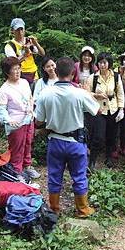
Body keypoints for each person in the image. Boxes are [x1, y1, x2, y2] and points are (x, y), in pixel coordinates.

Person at [35, 57, 99, 217]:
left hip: (55, 141)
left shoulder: (45, 93)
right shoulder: (79, 93)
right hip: (75, 142)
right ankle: (83, 209)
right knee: (79, 175)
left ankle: (54, 209)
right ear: (72, 74)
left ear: (56, 72)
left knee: (54, 176)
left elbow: (38, 121)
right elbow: (96, 110)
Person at [0, 57, 40, 179]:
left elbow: (30, 98)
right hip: (15, 122)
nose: (17, 71)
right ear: (7, 72)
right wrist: (8, 120)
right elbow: (1, 108)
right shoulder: (4, 89)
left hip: (28, 118)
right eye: (14, 69)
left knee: (28, 143)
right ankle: (16, 171)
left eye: (18, 68)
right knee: (17, 147)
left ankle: (27, 167)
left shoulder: (24, 82)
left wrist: (31, 109)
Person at [86, 52, 125, 170]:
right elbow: (87, 93)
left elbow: (120, 93)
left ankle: (109, 158)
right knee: (98, 137)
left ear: (109, 63)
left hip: (112, 109)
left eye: (104, 62)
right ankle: (92, 161)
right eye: (100, 62)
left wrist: (121, 109)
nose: (102, 65)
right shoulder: (93, 77)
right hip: (99, 110)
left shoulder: (116, 76)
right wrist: (96, 95)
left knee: (112, 136)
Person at [4, 18, 45, 85]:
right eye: (17, 30)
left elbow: (42, 54)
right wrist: (25, 54)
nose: (20, 32)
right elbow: (12, 63)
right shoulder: (10, 46)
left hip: (34, 74)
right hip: (20, 75)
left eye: (21, 29)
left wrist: (36, 44)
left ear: (24, 30)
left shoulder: (29, 41)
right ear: (12, 31)